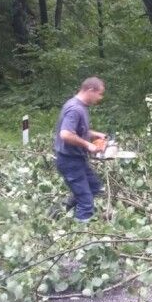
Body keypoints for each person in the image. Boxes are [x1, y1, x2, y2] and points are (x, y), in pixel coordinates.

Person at [53, 77, 108, 223]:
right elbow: (65, 134)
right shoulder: (75, 109)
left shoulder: (79, 106)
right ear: (90, 90)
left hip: (77, 159)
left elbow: (78, 130)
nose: (100, 98)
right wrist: (89, 145)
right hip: (69, 161)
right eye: (100, 94)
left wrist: (95, 134)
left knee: (95, 187)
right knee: (86, 202)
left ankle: (61, 211)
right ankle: (80, 239)